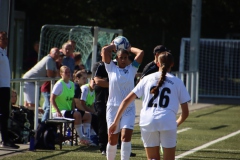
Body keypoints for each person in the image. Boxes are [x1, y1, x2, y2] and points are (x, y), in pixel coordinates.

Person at [109, 52, 190, 160]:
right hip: (167, 120)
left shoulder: (146, 79)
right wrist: (176, 123)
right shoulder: (178, 82)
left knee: (152, 158)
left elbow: (126, 101)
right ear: (172, 64)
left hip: (148, 120)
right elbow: (185, 112)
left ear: (157, 63)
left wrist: (115, 121)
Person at [102, 42, 144, 160]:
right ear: (116, 58)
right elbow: (105, 51)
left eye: (126, 58)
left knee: (125, 137)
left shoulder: (132, 69)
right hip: (113, 107)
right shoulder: (111, 68)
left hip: (128, 108)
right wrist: (115, 46)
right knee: (112, 138)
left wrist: (128, 47)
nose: (124, 60)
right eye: (121, 58)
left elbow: (141, 52)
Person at [50, 66, 94, 145]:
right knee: (77, 115)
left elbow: (73, 101)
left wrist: (73, 109)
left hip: (68, 110)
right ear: (61, 74)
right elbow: (52, 99)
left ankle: (87, 137)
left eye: (69, 72)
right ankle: (82, 138)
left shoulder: (72, 84)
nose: (68, 74)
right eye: (66, 72)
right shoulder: (59, 84)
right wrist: (57, 111)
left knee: (88, 115)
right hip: (59, 111)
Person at [0, 31, 19, 149]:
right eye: (3, 39)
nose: (6, 41)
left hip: (5, 86)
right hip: (0, 87)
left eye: (6, 39)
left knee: (5, 114)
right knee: (2, 114)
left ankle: (5, 138)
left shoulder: (4, 52)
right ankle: (5, 139)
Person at [41, 51, 64, 122]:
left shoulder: (61, 66)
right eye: (59, 56)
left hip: (53, 90)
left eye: (62, 57)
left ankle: (43, 121)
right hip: (47, 88)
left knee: (45, 107)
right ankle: (43, 123)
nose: (60, 58)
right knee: (49, 107)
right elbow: (56, 75)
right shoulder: (54, 64)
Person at [92, 60, 109, 156]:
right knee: (102, 123)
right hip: (101, 99)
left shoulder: (114, 65)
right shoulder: (98, 65)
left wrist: (105, 80)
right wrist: (111, 82)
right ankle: (103, 146)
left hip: (113, 99)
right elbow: (96, 81)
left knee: (117, 123)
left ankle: (123, 145)